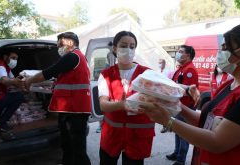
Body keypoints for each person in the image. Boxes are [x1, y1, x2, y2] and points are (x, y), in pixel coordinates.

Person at [141, 23, 240, 165]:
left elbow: (217, 141)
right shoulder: (230, 84)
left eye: (224, 48)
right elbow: (206, 120)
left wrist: (168, 121)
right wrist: (177, 105)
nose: (219, 52)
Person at [25, 32, 91, 165]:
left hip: (74, 111)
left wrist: (29, 80)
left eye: (60, 44)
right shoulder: (79, 57)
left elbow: (50, 72)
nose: (58, 47)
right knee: (68, 146)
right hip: (71, 109)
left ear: (70, 43)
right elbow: (67, 79)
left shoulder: (72, 56)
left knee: (77, 149)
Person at [97, 31, 155, 165]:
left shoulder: (147, 73)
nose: (128, 50)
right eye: (123, 45)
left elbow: (166, 87)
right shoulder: (106, 74)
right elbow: (103, 105)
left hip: (137, 136)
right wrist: (121, 105)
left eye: (132, 46)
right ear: (115, 48)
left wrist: (186, 89)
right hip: (112, 135)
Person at [164, 45, 198, 165]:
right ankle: (177, 152)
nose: (178, 54)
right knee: (177, 130)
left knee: (184, 133)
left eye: (180, 52)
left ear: (188, 55)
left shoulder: (190, 70)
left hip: (185, 107)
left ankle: (181, 159)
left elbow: (186, 91)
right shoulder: (181, 68)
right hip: (178, 105)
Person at [0, 51, 25, 134]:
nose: (15, 61)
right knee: (19, 97)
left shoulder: (7, 67)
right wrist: (16, 83)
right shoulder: (0, 65)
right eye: (13, 58)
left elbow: (12, 80)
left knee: (18, 94)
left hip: (2, 94)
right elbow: (3, 80)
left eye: (16, 59)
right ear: (5, 57)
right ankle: (2, 123)